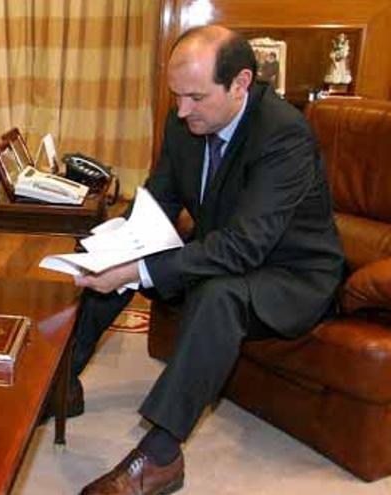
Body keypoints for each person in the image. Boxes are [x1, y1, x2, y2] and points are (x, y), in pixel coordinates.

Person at [66, 25, 344, 495]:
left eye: (195, 97)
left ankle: (160, 459)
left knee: (217, 294)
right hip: (223, 254)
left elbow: (245, 247)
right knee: (105, 259)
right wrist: (110, 251)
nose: (181, 111)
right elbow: (155, 204)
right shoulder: (187, 123)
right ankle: (62, 379)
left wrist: (137, 269)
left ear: (240, 84)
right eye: (176, 96)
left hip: (289, 276)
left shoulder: (284, 136)